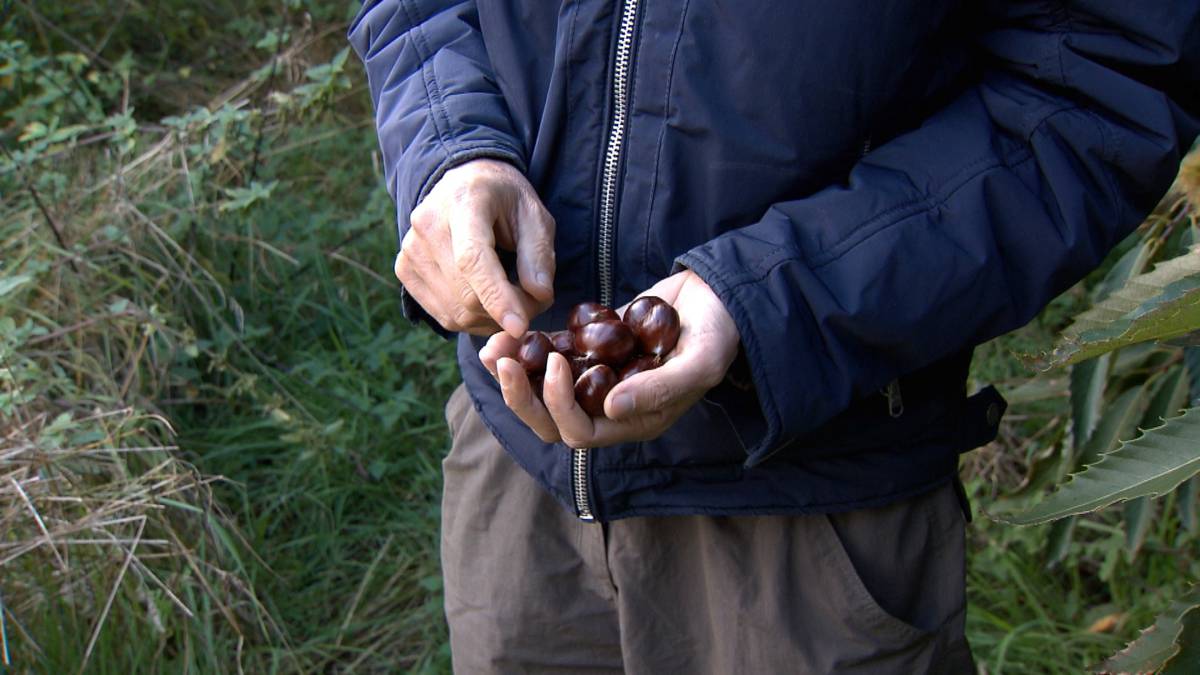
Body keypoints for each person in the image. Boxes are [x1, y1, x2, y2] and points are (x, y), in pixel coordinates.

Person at [349, 2, 1200, 672]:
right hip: (515, 472)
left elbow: (1098, 81)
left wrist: (768, 297)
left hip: (817, 514)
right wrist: (450, 146)